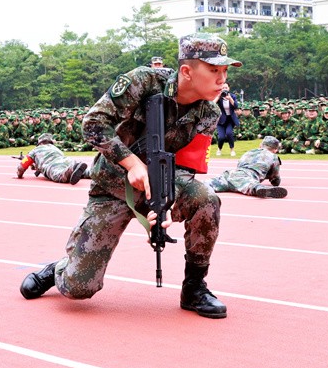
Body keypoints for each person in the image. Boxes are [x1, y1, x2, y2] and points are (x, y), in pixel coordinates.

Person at [19, 33, 241, 319]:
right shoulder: (144, 82)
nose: (222, 79)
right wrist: (133, 164)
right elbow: (93, 124)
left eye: (224, 71)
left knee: (206, 199)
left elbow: (187, 167)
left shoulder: (208, 112)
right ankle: (60, 269)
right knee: (79, 288)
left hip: (159, 185)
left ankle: (194, 288)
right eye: (213, 70)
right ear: (187, 71)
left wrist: (165, 204)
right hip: (112, 187)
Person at [208, 136, 288, 198]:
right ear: (275, 150)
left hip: (230, 174)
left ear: (260, 145)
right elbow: (275, 181)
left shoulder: (249, 152)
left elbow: (240, 165)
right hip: (246, 177)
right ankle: (260, 189)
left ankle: (202, 186)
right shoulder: (273, 157)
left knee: (210, 184)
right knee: (252, 186)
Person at [15, 133, 88, 184]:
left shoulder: (35, 150)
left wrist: (19, 175)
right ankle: (91, 172)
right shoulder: (55, 148)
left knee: (60, 176)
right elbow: (36, 167)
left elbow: (22, 167)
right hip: (67, 160)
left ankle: (72, 169)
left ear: (39, 143)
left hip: (52, 165)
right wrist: (34, 165)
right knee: (85, 173)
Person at [215, 82, 239, 156]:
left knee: (229, 133)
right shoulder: (219, 97)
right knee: (221, 137)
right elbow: (212, 105)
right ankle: (219, 149)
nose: (224, 89)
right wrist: (218, 97)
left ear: (228, 88)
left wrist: (230, 99)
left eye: (226, 87)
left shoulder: (233, 96)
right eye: (223, 88)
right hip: (221, 120)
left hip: (230, 120)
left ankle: (232, 150)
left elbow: (236, 106)